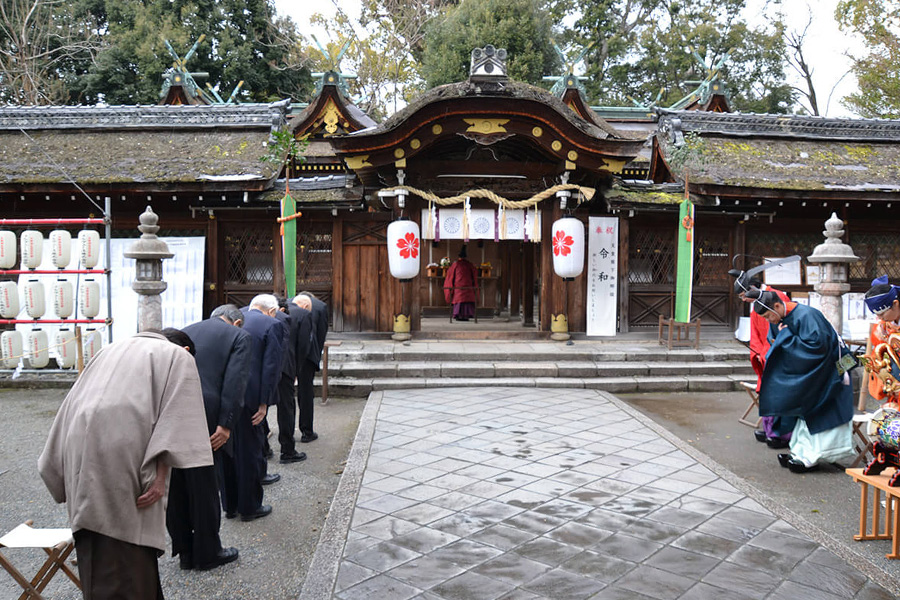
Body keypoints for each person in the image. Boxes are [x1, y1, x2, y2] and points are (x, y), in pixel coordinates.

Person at [38, 330, 212, 599]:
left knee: (96, 536)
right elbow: (177, 423)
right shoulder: (178, 356)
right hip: (127, 452)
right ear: (187, 350)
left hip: (79, 448)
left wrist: (58, 469)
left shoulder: (109, 349)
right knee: (125, 549)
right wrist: (159, 476)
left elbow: (70, 405)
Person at [170, 308, 251, 571]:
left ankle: (184, 550)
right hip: (206, 413)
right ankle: (207, 552)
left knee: (177, 482)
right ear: (236, 321)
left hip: (174, 408)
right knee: (204, 484)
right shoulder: (239, 336)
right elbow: (235, 381)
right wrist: (226, 424)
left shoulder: (188, 329)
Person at [748, 289, 855, 473]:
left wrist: (786, 338)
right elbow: (774, 341)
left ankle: (812, 457)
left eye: (768, 316)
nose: (768, 321)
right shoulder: (779, 318)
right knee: (800, 411)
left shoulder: (808, 315)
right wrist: (782, 338)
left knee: (817, 411)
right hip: (810, 373)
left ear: (777, 306)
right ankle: (799, 451)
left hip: (831, 369)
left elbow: (817, 348)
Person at [227, 294, 285, 521]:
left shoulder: (235, 317)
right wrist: (265, 403)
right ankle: (249, 506)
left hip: (227, 392)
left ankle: (230, 505)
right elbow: (271, 366)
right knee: (250, 449)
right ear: (272, 311)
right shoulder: (273, 324)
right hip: (251, 394)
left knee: (228, 451)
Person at [729, 268, 793, 448]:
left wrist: (772, 350)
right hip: (764, 353)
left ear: (751, 288)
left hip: (778, 351)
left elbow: (785, 324)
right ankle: (770, 430)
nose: (743, 299)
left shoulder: (776, 297)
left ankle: (781, 434)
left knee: (779, 394)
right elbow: (755, 333)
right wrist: (757, 353)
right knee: (767, 392)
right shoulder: (757, 301)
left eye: (743, 295)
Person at [276, 295, 309, 462]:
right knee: (286, 408)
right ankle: (287, 450)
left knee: (258, 409)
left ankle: (264, 449)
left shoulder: (250, 313)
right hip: (284, 366)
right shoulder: (301, 315)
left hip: (259, 366)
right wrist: (297, 369)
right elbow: (303, 346)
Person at [863, 275, 900, 406]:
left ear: (895, 304)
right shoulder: (883, 327)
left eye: (882, 314)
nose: (880, 318)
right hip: (893, 386)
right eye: (877, 315)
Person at [294, 294, 319, 443]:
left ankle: (286, 436)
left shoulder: (281, 311)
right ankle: (306, 431)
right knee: (305, 393)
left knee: (286, 399)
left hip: (289, 357)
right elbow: (314, 337)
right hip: (305, 357)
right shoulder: (307, 313)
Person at [443, 245, 478, 321]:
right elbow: (475, 273)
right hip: (468, 286)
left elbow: (450, 275)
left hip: (458, 286)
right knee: (466, 299)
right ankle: (466, 315)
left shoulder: (455, 265)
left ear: (459, 257)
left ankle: (458, 315)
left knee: (459, 299)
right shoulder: (469, 264)